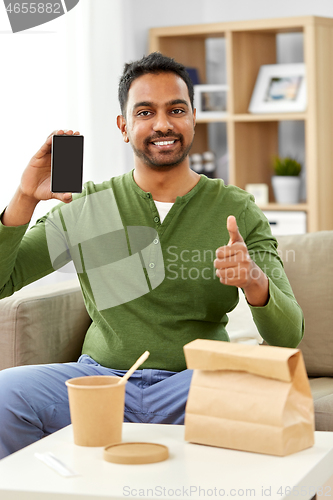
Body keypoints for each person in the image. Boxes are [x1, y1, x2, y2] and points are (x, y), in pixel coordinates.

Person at [0, 52, 304, 459]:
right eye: (145, 112)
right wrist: (23, 199)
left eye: (176, 110)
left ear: (193, 118)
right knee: (6, 393)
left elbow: (288, 335)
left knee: (271, 394)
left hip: (194, 382)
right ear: (124, 127)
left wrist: (255, 283)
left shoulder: (237, 207)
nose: (163, 124)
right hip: (101, 381)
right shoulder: (85, 204)